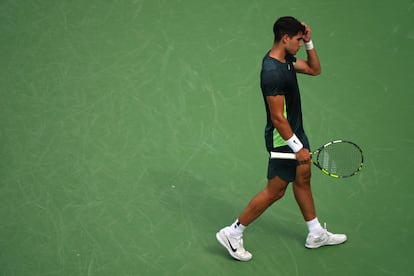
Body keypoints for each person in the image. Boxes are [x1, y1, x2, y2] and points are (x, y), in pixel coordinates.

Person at [216, 16, 347, 262]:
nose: (300, 43)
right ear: (285, 38)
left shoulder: (286, 59)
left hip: (296, 131)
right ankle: (233, 232)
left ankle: (315, 232)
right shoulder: (272, 73)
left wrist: (309, 43)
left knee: (303, 177)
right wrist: (296, 148)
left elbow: (314, 69)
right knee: (275, 191)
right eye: (298, 40)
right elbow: (277, 118)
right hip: (283, 139)